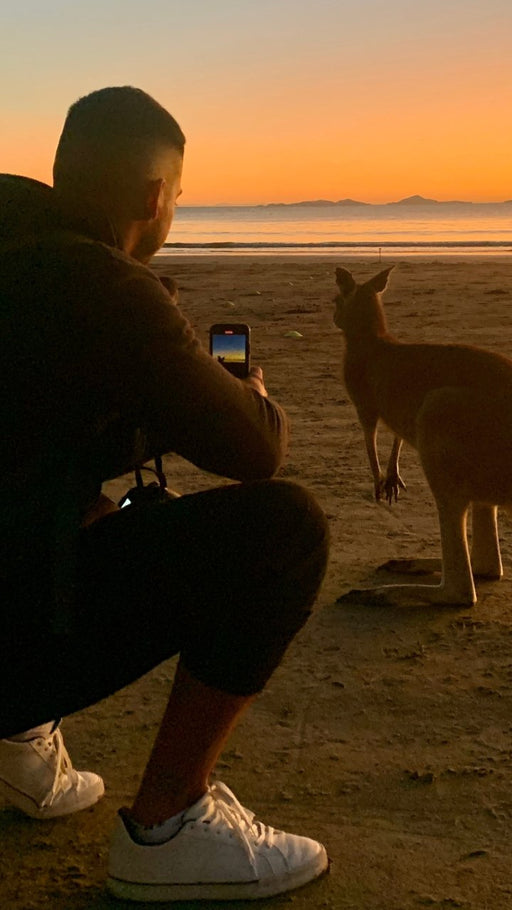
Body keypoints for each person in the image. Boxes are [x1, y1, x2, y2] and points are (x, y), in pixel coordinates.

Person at [0, 87, 330, 902]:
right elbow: (257, 450)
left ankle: (17, 750)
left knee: (66, 503)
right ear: (156, 197)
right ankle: (169, 824)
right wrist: (251, 394)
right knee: (286, 531)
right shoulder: (103, 285)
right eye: (178, 196)